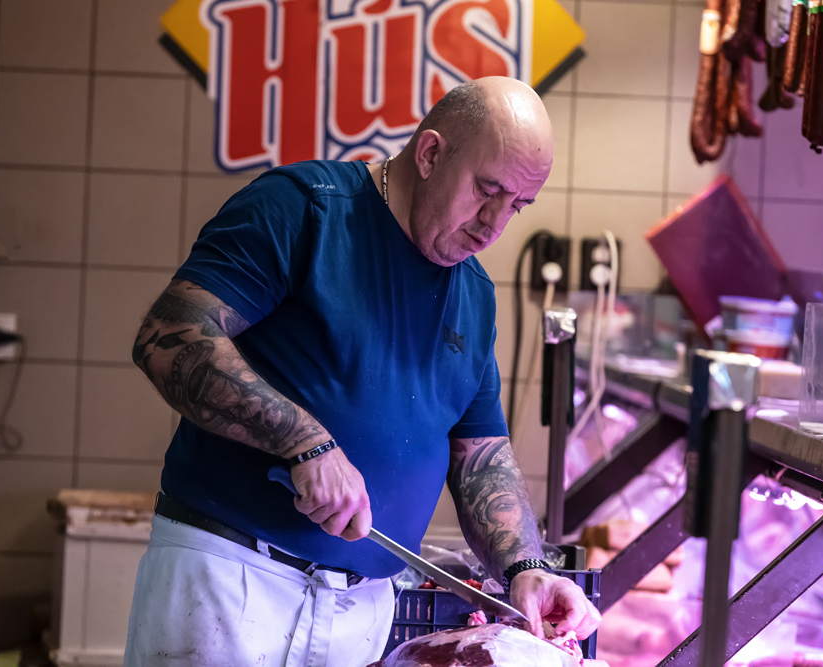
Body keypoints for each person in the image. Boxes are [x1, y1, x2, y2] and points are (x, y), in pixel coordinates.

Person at [124, 76, 601, 667]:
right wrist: (304, 441)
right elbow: (169, 337)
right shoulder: (304, 208)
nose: (495, 223)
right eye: (487, 190)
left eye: (518, 205)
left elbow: (480, 455)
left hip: (364, 611)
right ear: (430, 154)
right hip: (232, 582)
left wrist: (526, 568)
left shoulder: (474, 294)